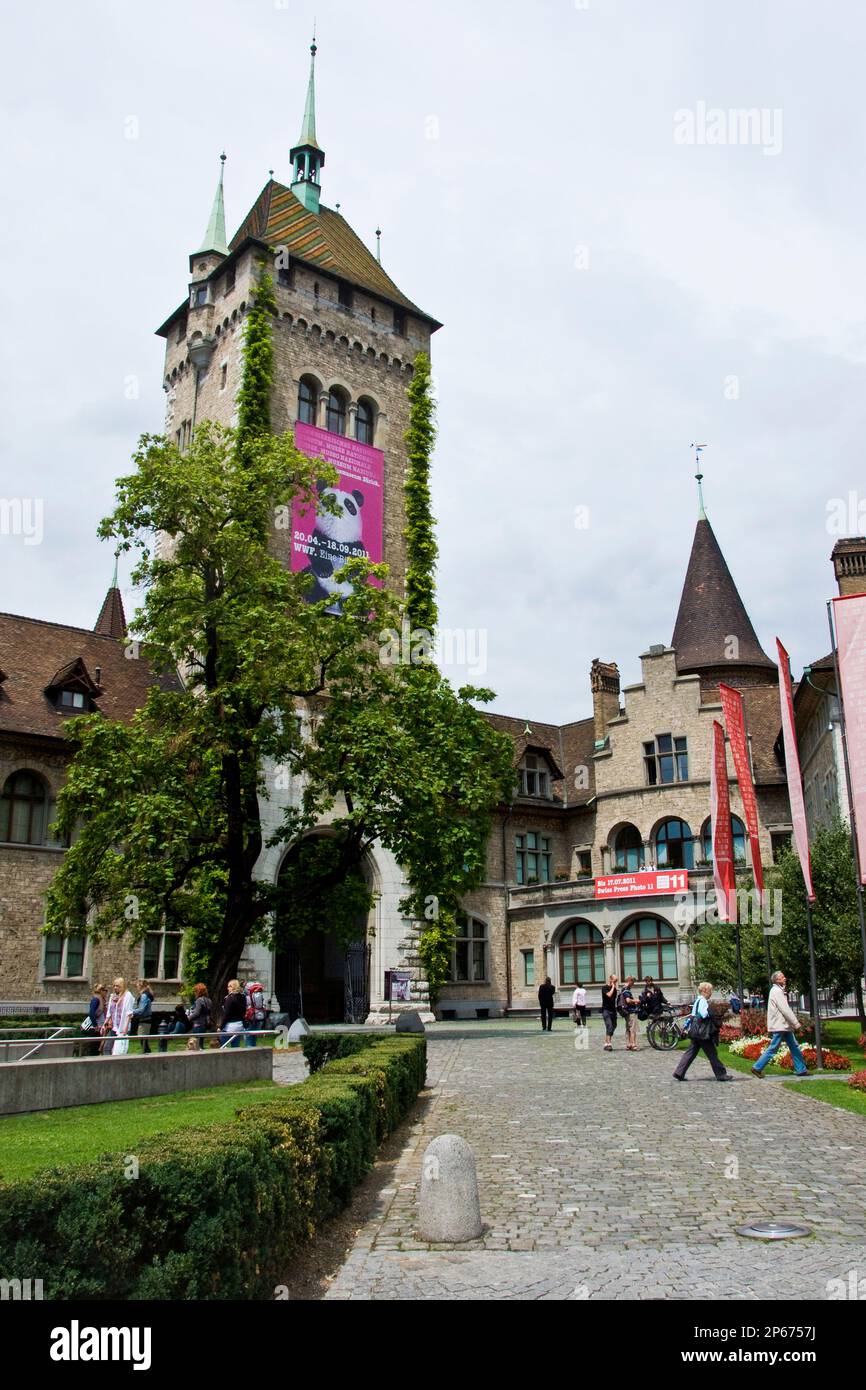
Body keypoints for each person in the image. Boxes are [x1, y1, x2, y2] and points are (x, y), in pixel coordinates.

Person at [751, 970, 809, 1078]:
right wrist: (796, 1023)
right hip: (780, 1025)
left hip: (783, 1025)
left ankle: (801, 1069)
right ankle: (757, 1067)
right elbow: (785, 1009)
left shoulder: (777, 990)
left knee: (794, 1046)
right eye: (782, 977)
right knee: (774, 1047)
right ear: (777, 980)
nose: (785, 978)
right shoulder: (777, 991)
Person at [672, 981, 732, 1081]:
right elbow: (704, 1014)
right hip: (703, 1032)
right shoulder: (703, 1001)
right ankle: (721, 1074)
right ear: (705, 991)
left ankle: (679, 1072)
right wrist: (710, 1012)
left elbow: (694, 1014)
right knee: (712, 1053)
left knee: (691, 1052)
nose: (711, 993)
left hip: (695, 1031)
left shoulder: (697, 1001)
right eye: (710, 990)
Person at [103, 977, 135, 1056]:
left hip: (122, 1027)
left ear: (122, 986)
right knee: (107, 1047)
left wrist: (125, 1028)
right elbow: (109, 1011)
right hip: (114, 1027)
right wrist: (105, 1023)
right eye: (114, 986)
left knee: (120, 1049)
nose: (115, 988)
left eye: (117, 986)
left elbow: (129, 1013)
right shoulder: (113, 996)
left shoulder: (128, 996)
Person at [220, 979, 246, 1047]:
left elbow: (226, 1014)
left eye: (229, 986)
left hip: (230, 1026)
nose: (228, 988)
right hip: (239, 1025)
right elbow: (244, 1012)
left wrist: (221, 1027)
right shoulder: (242, 997)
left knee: (223, 1045)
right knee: (235, 1046)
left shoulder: (230, 998)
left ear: (234, 987)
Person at [130, 979, 154, 1054]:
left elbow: (141, 1009)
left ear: (141, 986)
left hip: (144, 1020)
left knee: (143, 1039)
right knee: (143, 1039)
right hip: (145, 1020)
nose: (136, 988)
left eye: (137, 986)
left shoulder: (144, 996)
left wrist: (131, 1012)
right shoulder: (146, 995)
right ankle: (146, 1053)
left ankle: (146, 1054)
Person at [84, 983, 107, 1057]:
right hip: (94, 1029)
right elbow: (91, 1013)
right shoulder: (96, 999)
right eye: (105, 990)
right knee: (93, 1050)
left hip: (100, 1028)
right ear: (101, 991)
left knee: (97, 1049)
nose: (106, 992)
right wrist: (95, 1026)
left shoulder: (102, 1000)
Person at [186, 983, 212, 1049]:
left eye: (195, 991)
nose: (194, 993)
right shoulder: (209, 1000)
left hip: (198, 1024)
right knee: (201, 1042)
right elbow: (209, 1013)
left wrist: (188, 1018)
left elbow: (196, 1013)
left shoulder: (199, 1000)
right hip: (205, 1024)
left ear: (198, 991)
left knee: (195, 1044)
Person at [618, 976, 640, 1051]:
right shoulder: (626, 990)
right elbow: (628, 1000)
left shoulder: (623, 989)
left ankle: (628, 1044)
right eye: (633, 982)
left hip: (626, 1011)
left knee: (628, 1028)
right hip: (631, 1012)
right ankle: (633, 1044)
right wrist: (635, 1000)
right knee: (632, 1028)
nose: (633, 984)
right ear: (630, 981)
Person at [243, 979, 266, 1047]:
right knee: (254, 1036)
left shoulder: (247, 997)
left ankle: (249, 1052)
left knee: (248, 1037)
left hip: (250, 1017)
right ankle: (254, 1050)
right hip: (258, 1016)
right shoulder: (259, 995)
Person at [601, 974, 619, 1051]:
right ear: (610, 979)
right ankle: (609, 1044)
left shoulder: (614, 989)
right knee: (609, 1026)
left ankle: (606, 1042)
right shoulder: (604, 988)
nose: (615, 983)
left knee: (614, 1026)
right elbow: (609, 995)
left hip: (613, 1010)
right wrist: (613, 986)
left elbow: (613, 999)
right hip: (606, 1010)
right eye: (615, 981)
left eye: (616, 981)